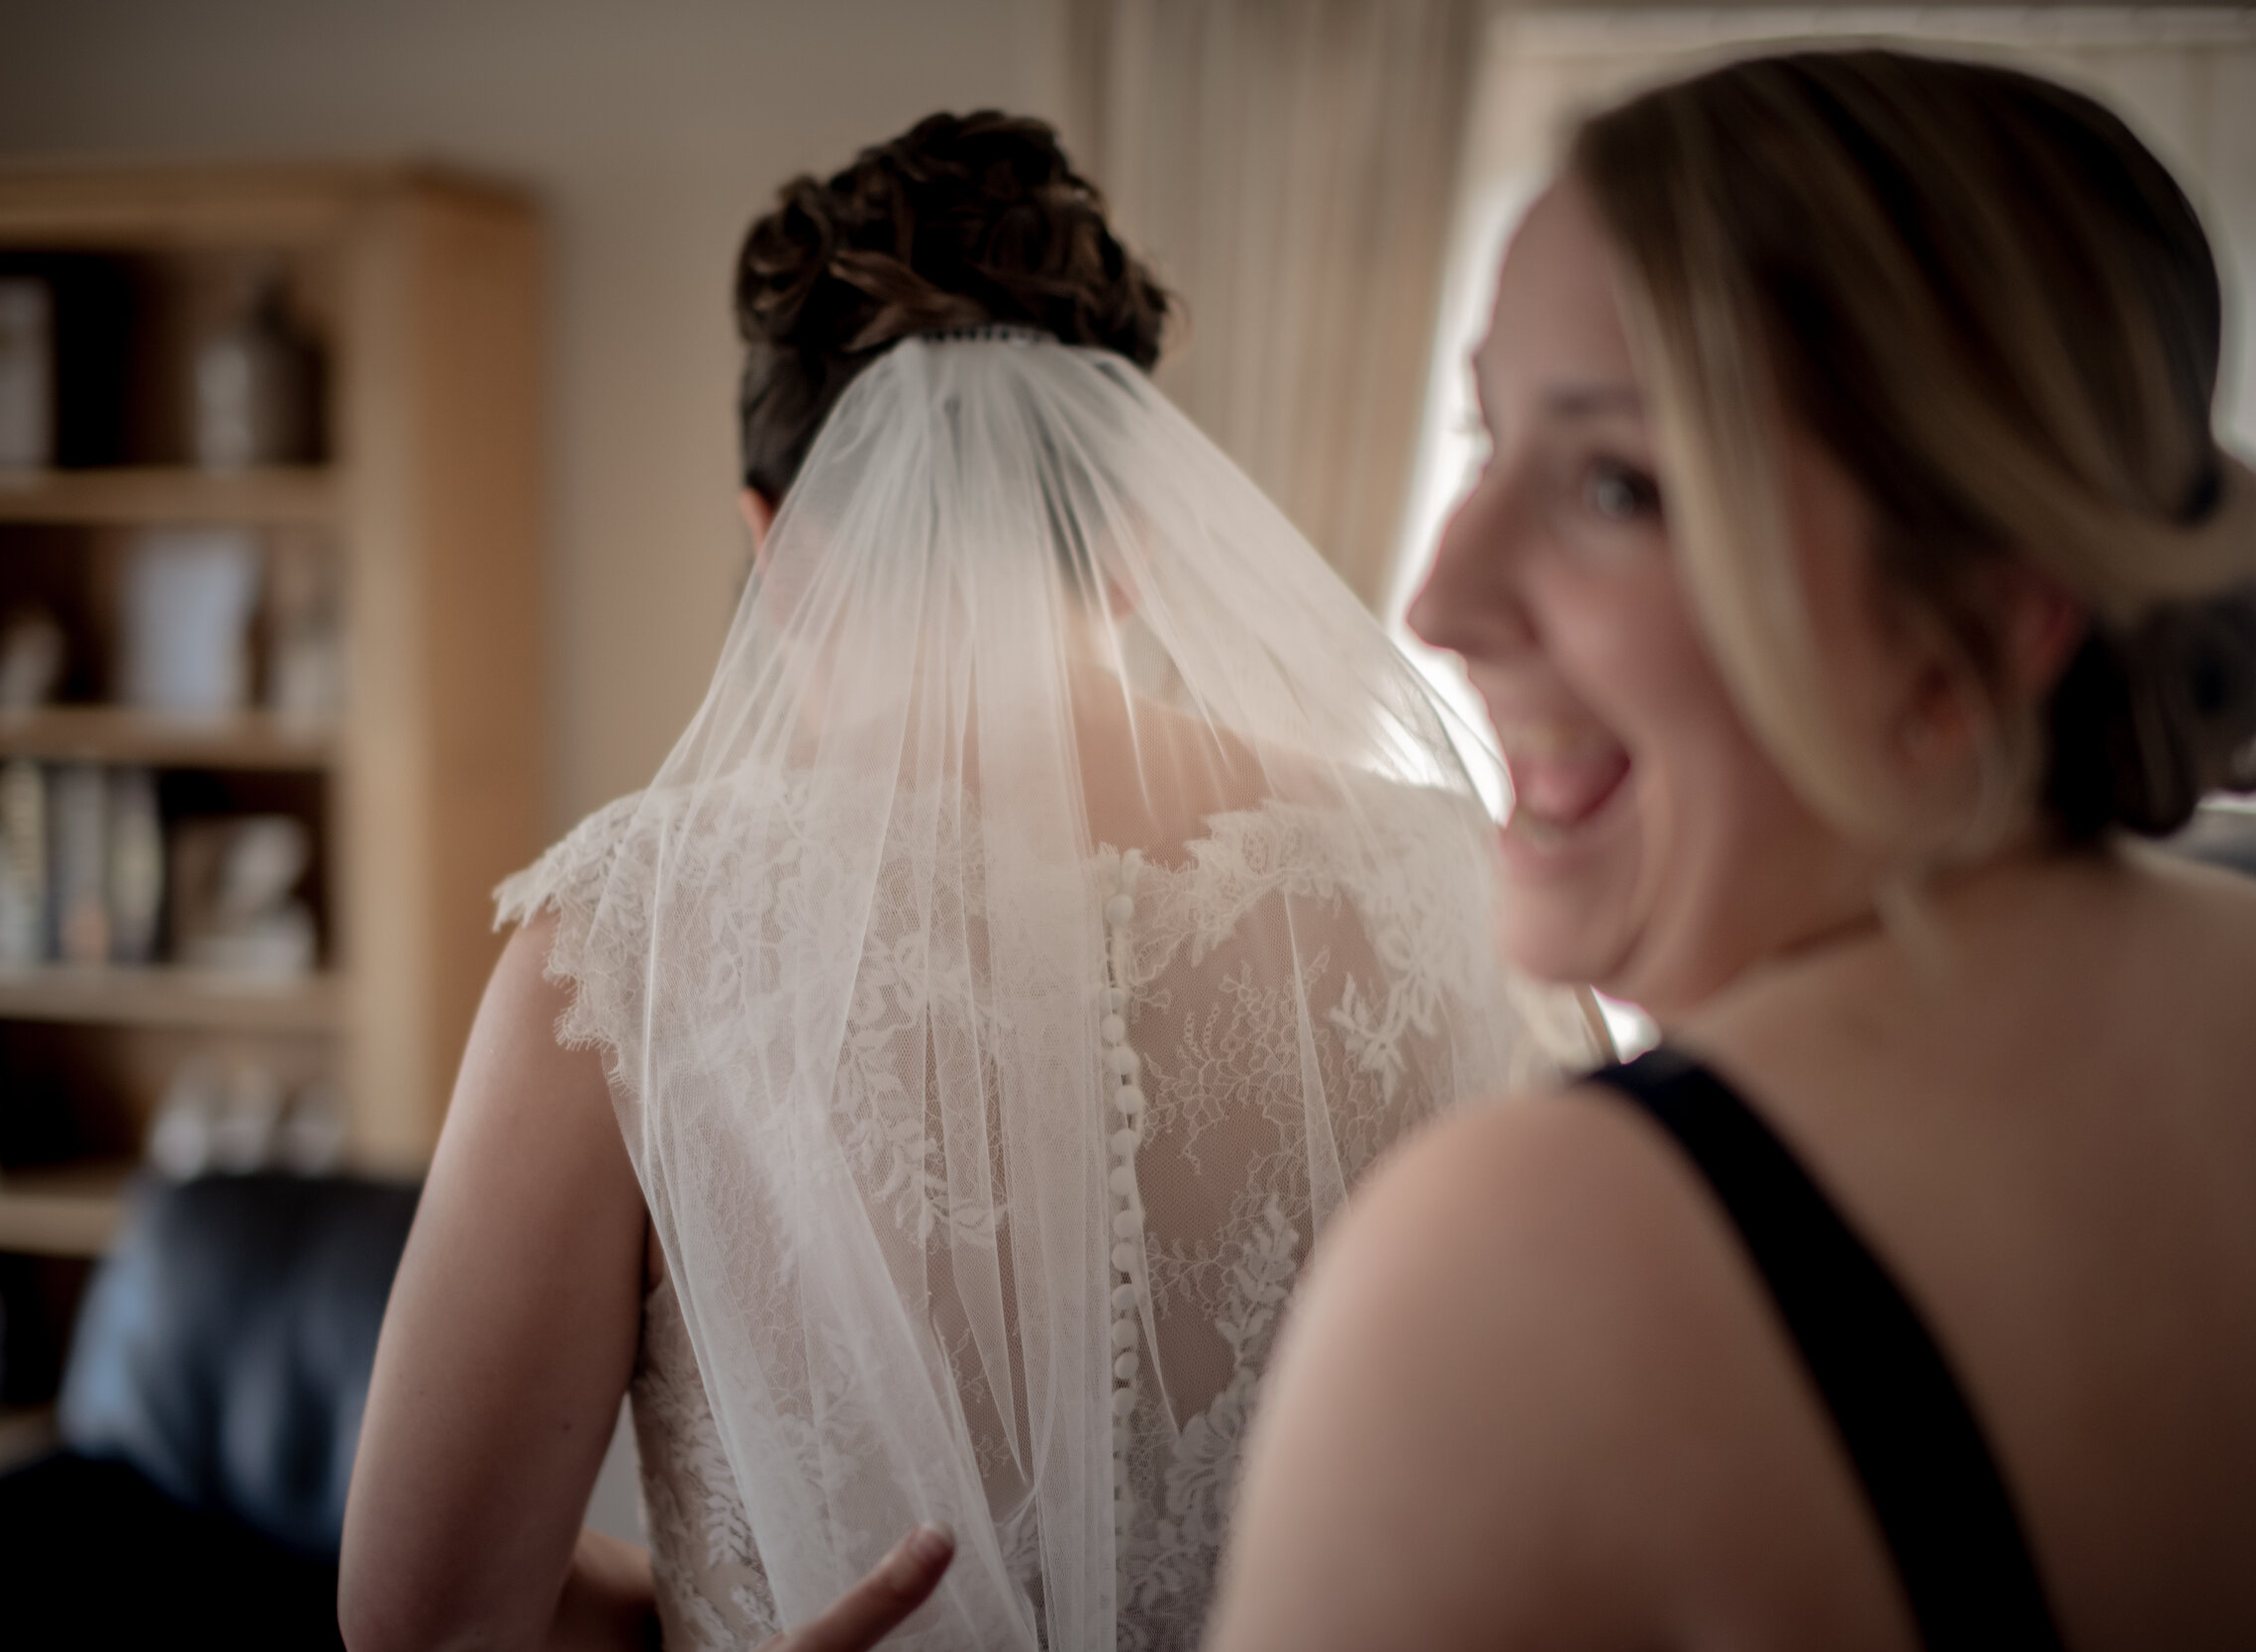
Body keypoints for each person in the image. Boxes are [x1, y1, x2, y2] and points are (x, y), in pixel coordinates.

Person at [1191, 49, 2256, 1651]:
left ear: (1981, 612)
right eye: (1488, 446)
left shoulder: (1537, 1261)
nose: (1440, 600)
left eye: (1619, 483)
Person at [339, 113, 1539, 1652]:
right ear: (1133, 533)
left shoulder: (622, 946)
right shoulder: (1437, 877)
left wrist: (709, 1610)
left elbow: (418, 1624)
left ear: (771, 551)